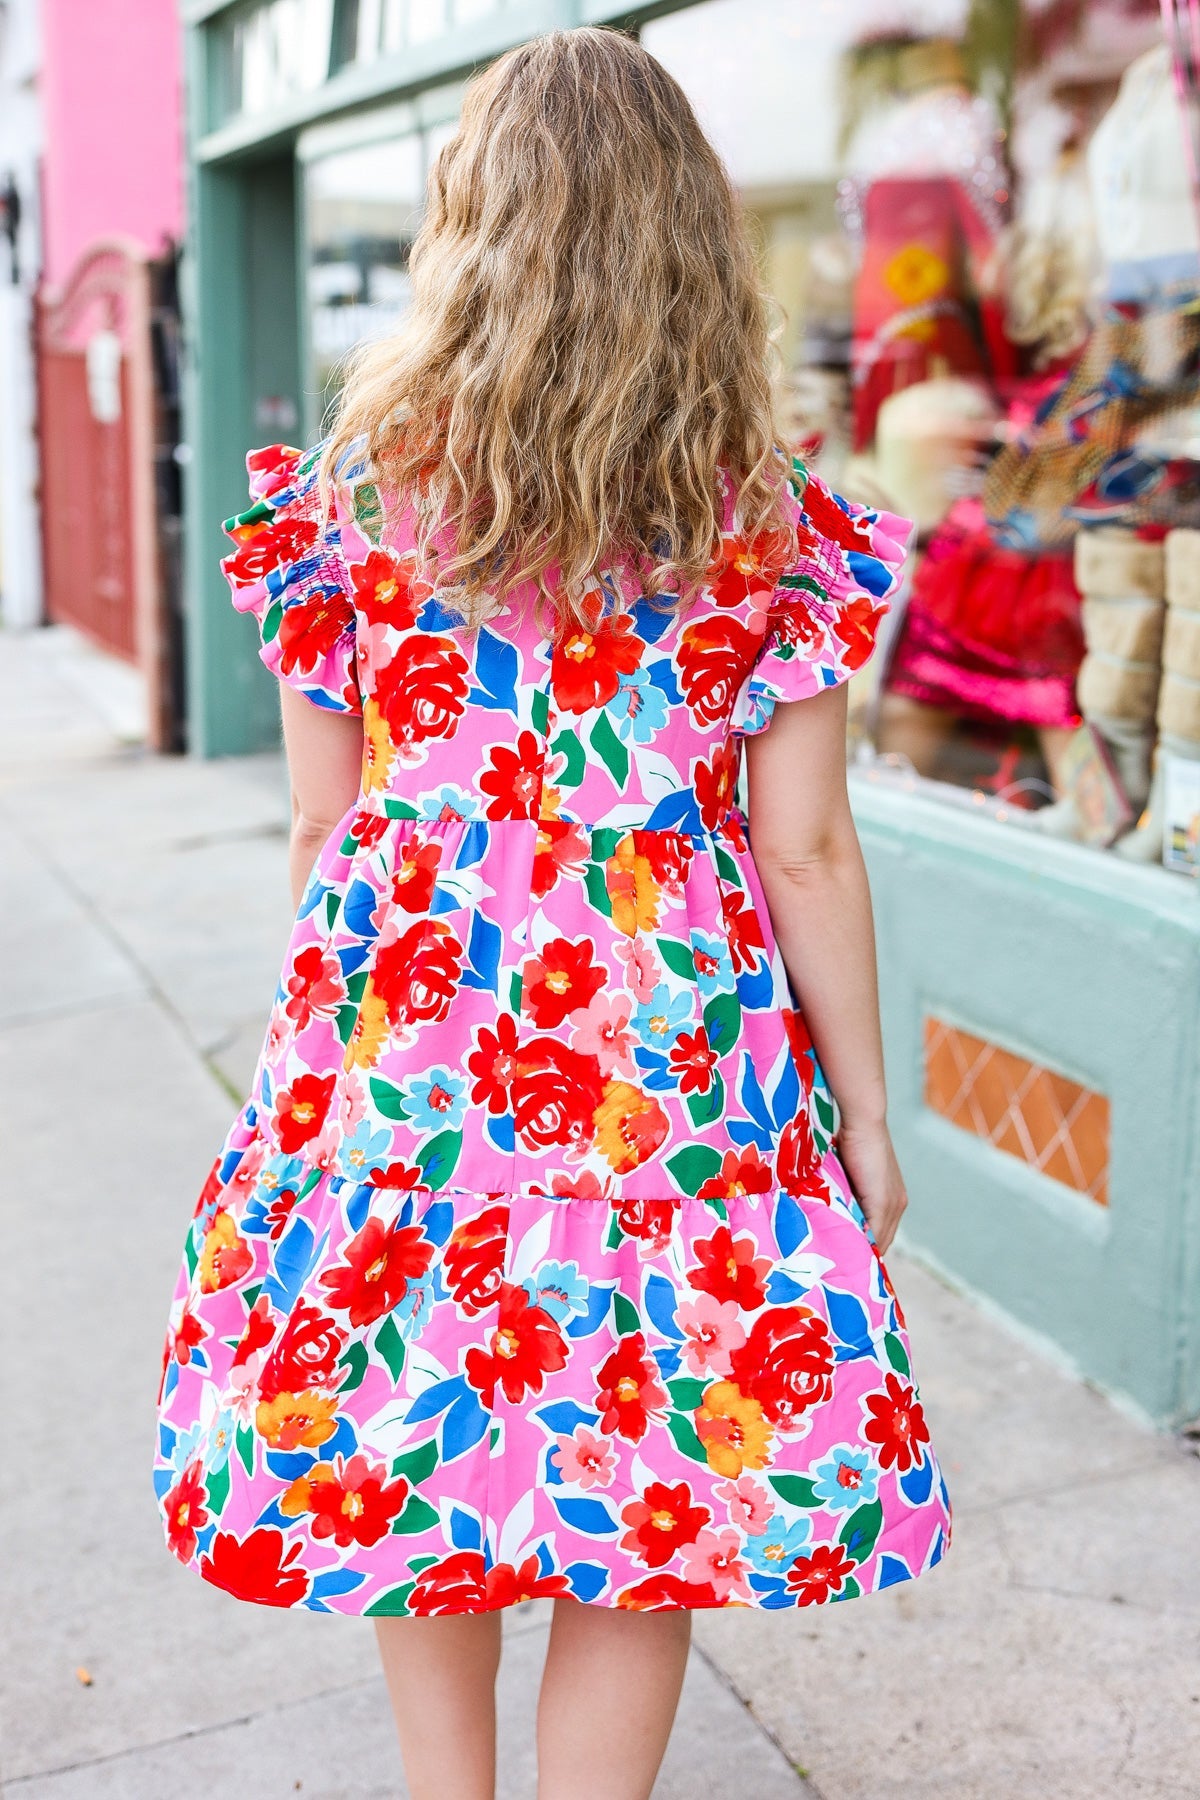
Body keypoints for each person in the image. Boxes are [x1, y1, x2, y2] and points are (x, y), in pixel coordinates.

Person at [154, 28, 950, 1800]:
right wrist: (868, 1117)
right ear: (688, 237)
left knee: (402, 1430)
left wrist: (313, 1069)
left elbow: (320, 821)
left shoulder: (351, 502)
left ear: (468, 219)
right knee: (644, 1473)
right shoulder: (767, 522)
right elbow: (807, 848)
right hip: (672, 1051)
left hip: (407, 1023)